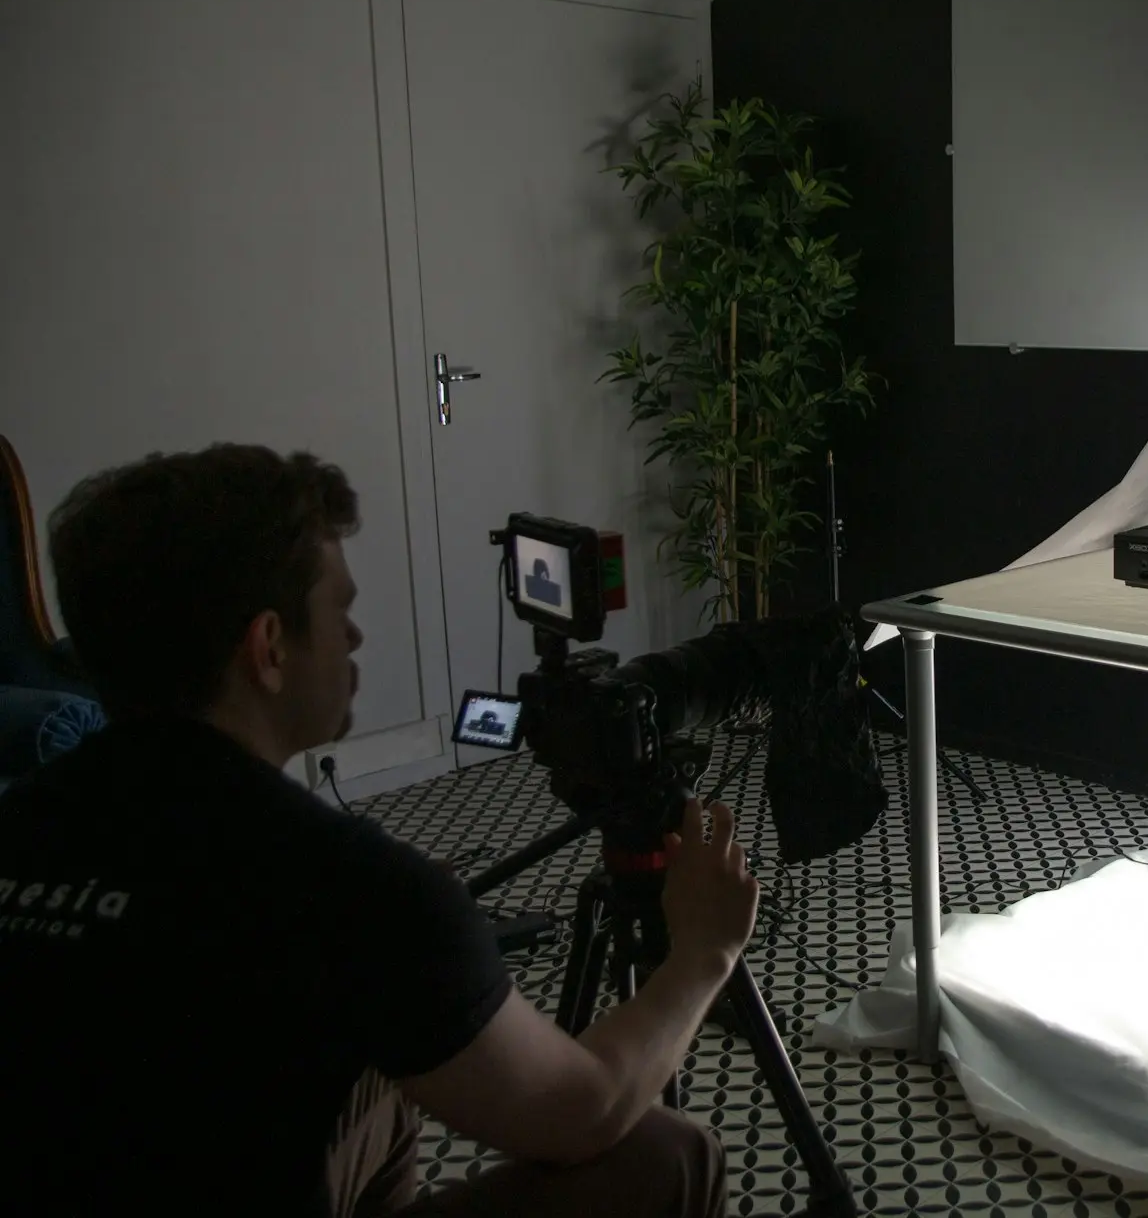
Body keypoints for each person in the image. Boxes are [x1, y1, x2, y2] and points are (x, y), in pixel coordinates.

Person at [0, 445, 759, 1217]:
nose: (356, 639)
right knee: (667, 1153)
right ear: (268, 648)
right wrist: (702, 953)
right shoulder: (348, 888)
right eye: (341, 611)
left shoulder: (21, 815)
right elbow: (586, 1110)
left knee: (372, 1071)